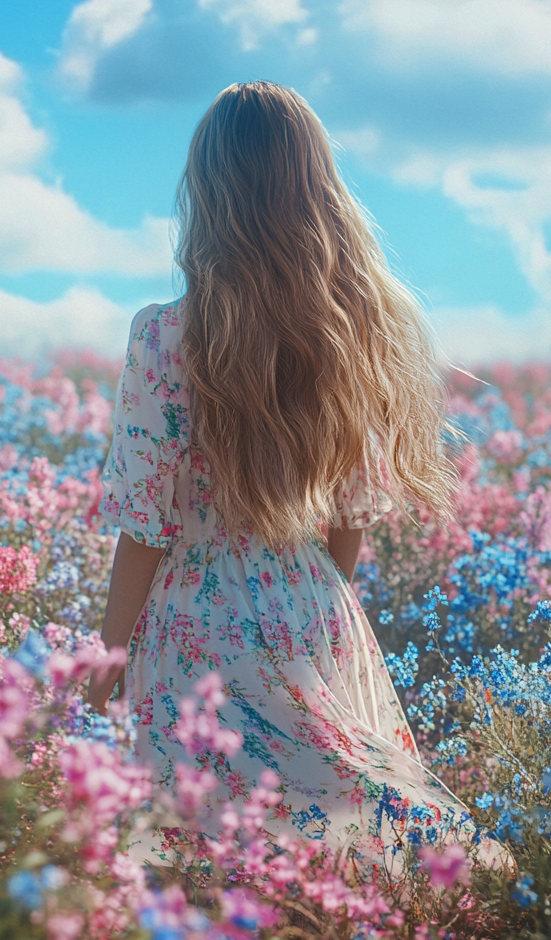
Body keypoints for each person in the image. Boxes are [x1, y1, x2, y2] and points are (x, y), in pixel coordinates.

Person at [87, 81, 505, 877]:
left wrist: (102, 671)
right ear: (317, 188)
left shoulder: (164, 337)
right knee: (333, 820)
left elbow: (146, 528)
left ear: (208, 192)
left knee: (200, 852)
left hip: (192, 623)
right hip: (315, 606)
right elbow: (354, 510)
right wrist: (316, 606)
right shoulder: (355, 332)